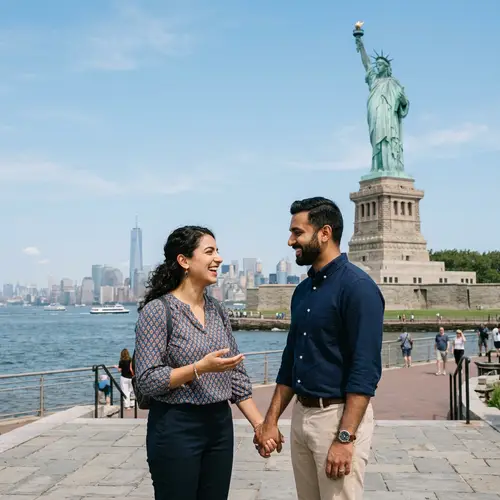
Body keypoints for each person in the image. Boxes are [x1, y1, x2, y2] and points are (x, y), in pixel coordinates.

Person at [254, 197, 384, 500]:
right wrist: (271, 421)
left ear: (324, 233)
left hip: (337, 419)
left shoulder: (358, 289)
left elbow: (365, 370)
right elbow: (291, 362)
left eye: (297, 232)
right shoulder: (302, 292)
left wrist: (344, 438)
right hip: (302, 417)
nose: (290, 240)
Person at [134, 226, 274, 500]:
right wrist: (200, 368)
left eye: (218, 251)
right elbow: (148, 379)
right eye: (209, 251)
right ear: (184, 261)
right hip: (176, 426)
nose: (219, 258)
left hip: (220, 426)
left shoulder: (217, 310)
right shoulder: (158, 311)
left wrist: (260, 426)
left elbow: (237, 378)